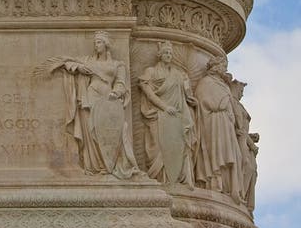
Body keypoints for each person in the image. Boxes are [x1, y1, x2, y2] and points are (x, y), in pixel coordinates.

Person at [40, 31, 139, 178]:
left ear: (106, 45)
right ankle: (95, 166)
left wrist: (116, 93)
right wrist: (78, 68)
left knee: (110, 131)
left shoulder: (118, 65)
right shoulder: (88, 61)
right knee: (91, 131)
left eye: (99, 42)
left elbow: (121, 84)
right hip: (90, 97)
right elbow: (67, 62)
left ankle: (109, 164)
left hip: (109, 99)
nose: (96, 45)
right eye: (95, 43)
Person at [138, 40, 197, 188]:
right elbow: (149, 94)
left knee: (179, 145)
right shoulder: (151, 72)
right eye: (165, 52)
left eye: (170, 53)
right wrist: (164, 107)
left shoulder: (178, 74)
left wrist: (187, 85)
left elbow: (186, 96)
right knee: (157, 147)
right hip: (158, 115)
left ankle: (179, 180)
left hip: (176, 116)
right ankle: (159, 179)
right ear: (160, 55)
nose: (168, 55)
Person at [194, 56, 243, 203]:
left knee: (232, 155)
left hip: (225, 124)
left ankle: (229, 187)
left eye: (225, 66)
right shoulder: (206, 82)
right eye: (223, 66)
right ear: (215, 67)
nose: (225, 69)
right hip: (213, 122)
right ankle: (215, 183)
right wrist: (223, 101)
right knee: (217, 153)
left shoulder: (223, 85)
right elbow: (205, 102)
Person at [229, 78, 259, 213]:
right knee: (246, 165)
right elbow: (239, 128)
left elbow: (242, 129)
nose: (242, 94)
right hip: (241, 140)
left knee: (251, 169)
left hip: (244, 140)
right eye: (241, 90)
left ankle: (243, 199)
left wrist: (250, 137)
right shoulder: (233, 103)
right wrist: (251, 144)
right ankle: (239, 194)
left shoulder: (237, 104)